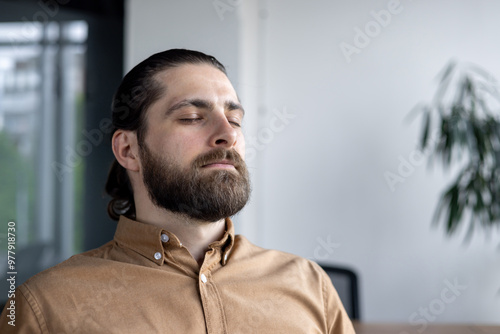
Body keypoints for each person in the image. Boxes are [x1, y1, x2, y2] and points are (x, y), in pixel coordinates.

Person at [0, 49, 355, 333]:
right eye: (190, 117)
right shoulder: (47, 308)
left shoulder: (309, 285)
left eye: (235, 120)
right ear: (128, 150)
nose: (227, 134)